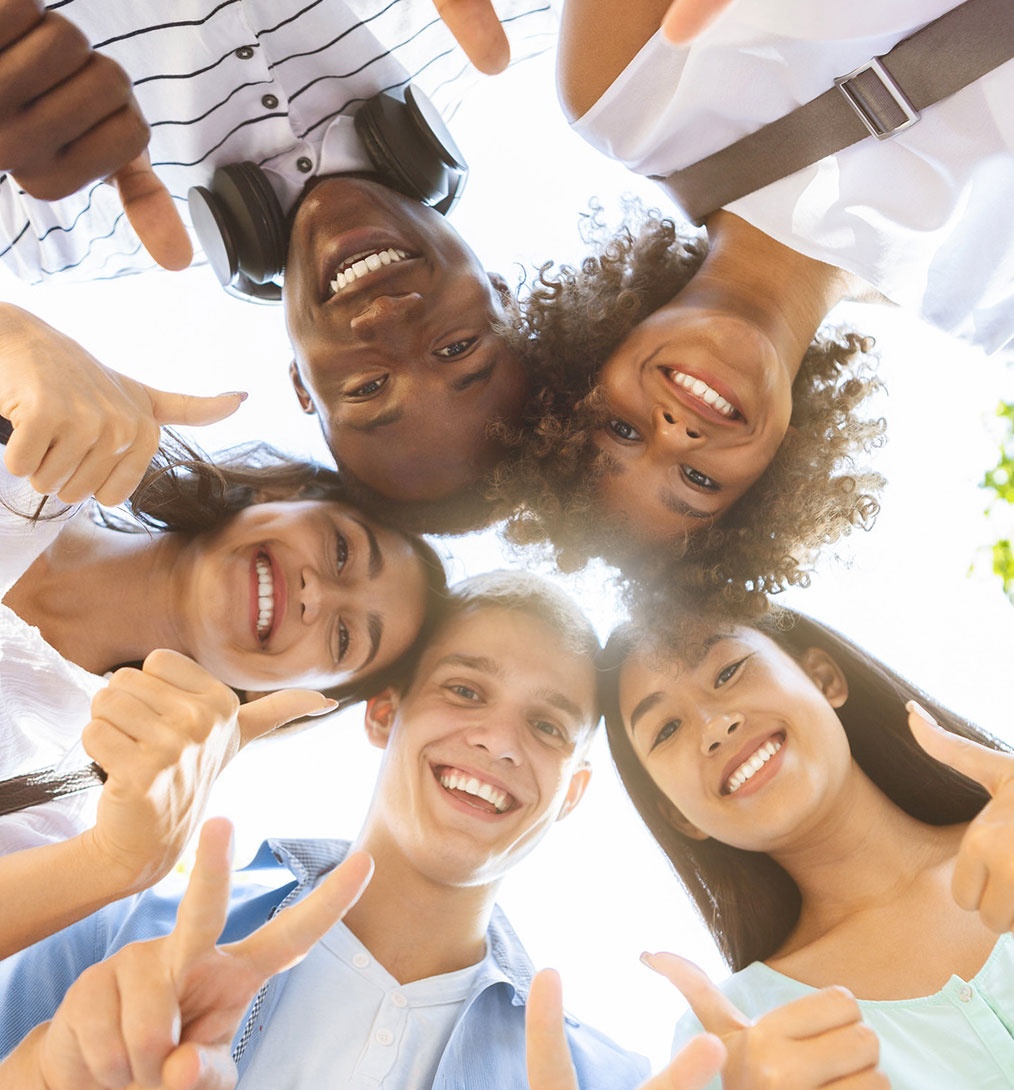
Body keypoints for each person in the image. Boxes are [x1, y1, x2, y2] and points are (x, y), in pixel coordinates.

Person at [0, 571, 652, 1088]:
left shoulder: (601, 1080)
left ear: (573, 791)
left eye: (546, 727)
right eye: (465, 691)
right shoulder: (129, 930)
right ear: (382, 714)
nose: (499, 742)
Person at [491, 0, 1014, 595]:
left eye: (623, 430)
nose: (674, 432)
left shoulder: (622, 90)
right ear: (775, 475)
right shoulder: (995, 304)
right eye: (697, 479)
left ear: (588, 364)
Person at [0, 0, 555, 529]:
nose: (386, 315)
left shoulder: (50, 228)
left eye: (367, 387)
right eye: (456, 349)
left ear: (302, 384)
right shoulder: (503, 20)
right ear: (501, 296)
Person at [600, 607, 1014, 1089]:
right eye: (667, 729)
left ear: (823, 678)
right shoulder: (735, 1046)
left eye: (728, 671)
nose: (714, 727)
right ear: (679, 816)